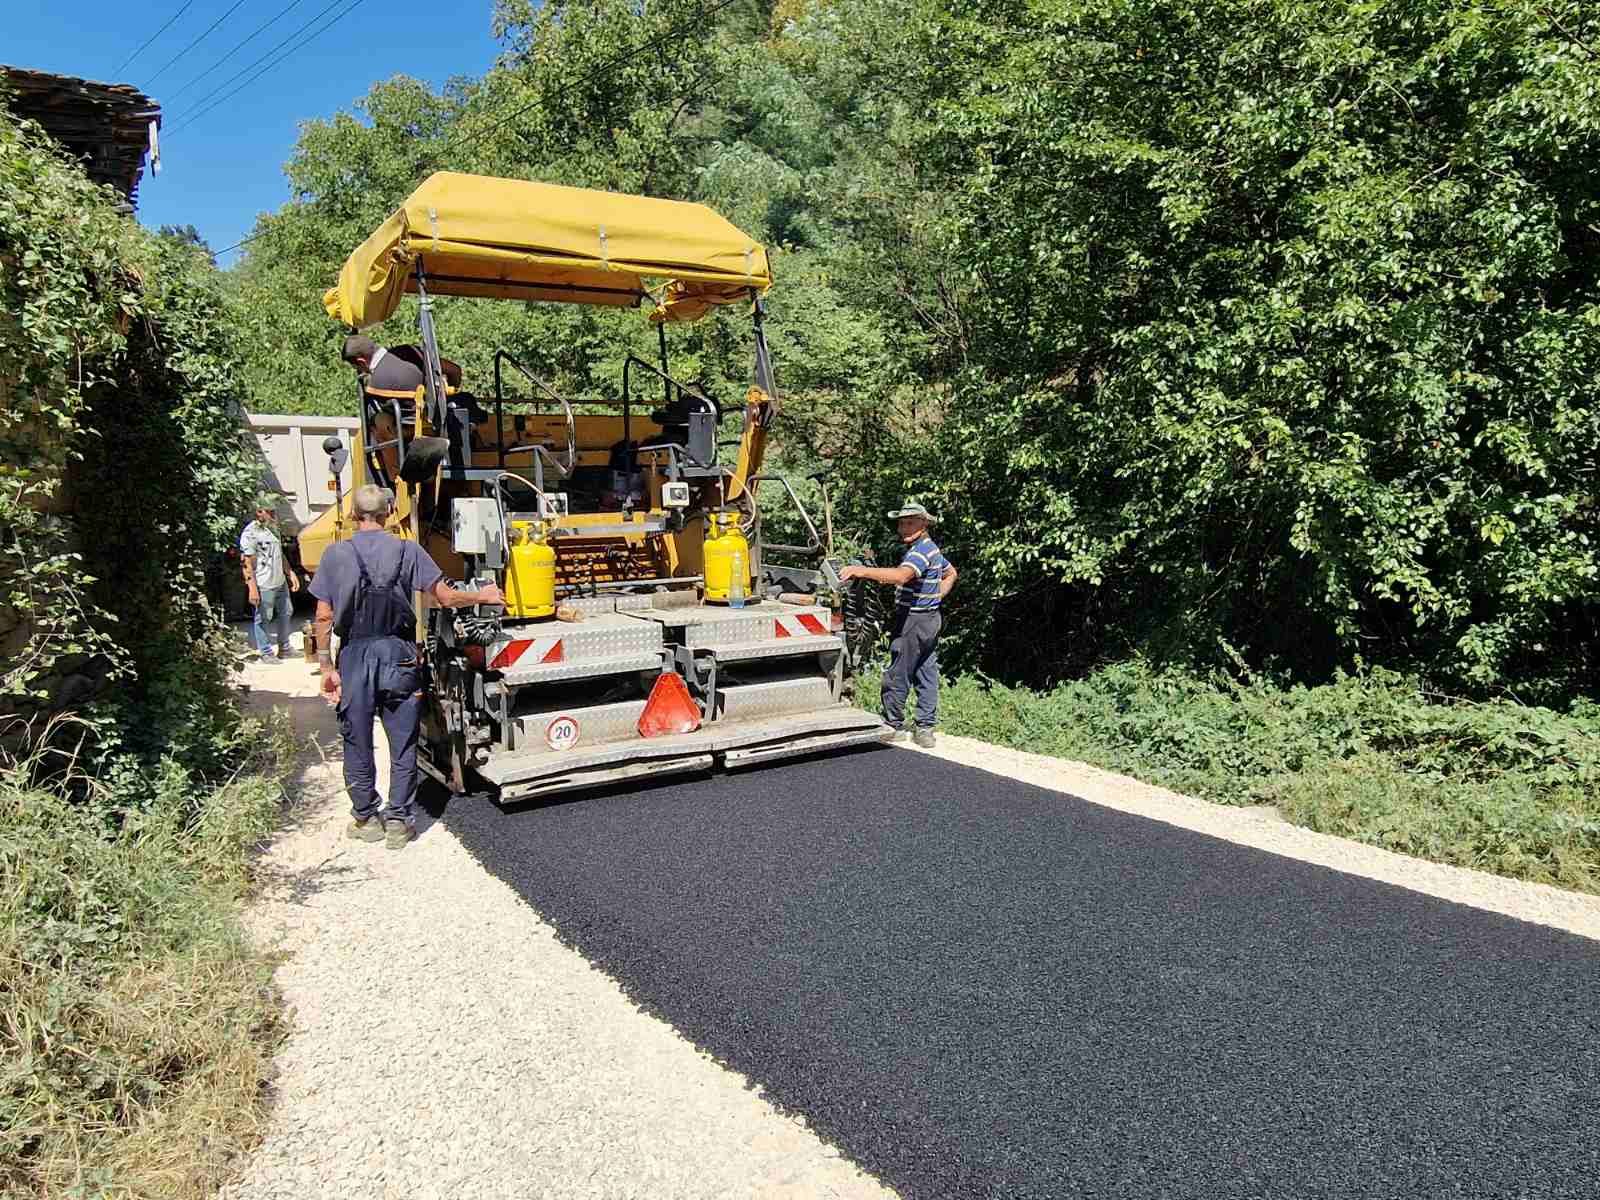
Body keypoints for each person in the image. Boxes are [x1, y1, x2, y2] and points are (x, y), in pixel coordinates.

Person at [310, 485, 503, 849]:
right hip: (398, 654)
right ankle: (399, 822)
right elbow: (445, 597)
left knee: (357, 740)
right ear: (388, 515)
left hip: (354, 656)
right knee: (403, 742)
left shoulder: (335, 555)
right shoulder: (407, 550)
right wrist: (483, 595)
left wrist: (325, 666)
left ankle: (366, 818)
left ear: (354, 515)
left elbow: (323, 615)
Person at [838, 502, 957, 748]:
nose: (904, 528)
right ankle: (925, 728)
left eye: (910, 522)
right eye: (902, 523)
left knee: (897, 673)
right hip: (930, 619)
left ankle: (894, 725)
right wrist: (936, 597)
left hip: (913, 621)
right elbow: (950, 573)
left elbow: (902, 576)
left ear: (924, 524)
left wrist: (860, 571)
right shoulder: (930, 548)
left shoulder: (919, 552)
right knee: (926, 672)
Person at [240, 496, 300, 660]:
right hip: (264, 583)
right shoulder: (250, 533)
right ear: (259, 512)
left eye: (274, 511)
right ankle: (266, 652)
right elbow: (247, 563)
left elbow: (279, 554)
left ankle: (285, 648)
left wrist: (290, 573)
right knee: (264, 617)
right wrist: (252, 589)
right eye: (270, 512)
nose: (274, 515)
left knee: (287, 611)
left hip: (279, 581)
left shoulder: (273, 529)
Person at [341, 334, 463, 398]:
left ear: (361, 361)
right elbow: (455, 370)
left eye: (357, 368)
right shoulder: (410, 352)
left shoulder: (375, 387)